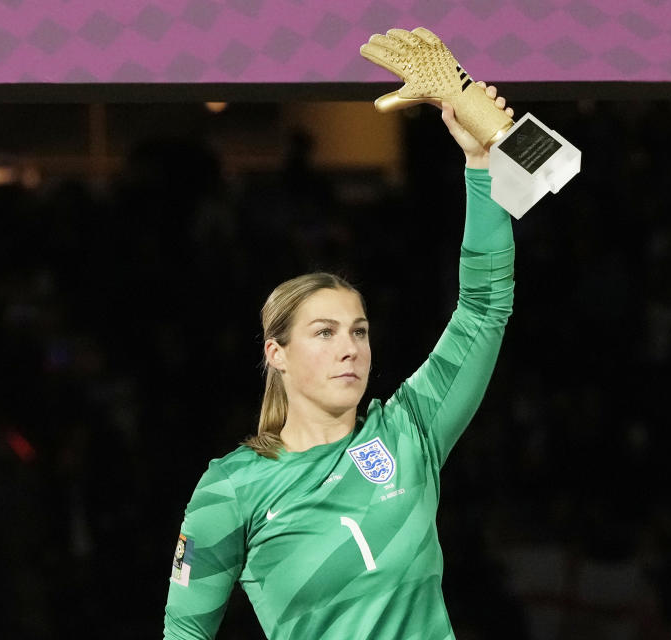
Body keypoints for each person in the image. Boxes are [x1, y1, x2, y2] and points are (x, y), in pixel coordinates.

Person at [163, 83, 516, 639]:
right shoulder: (230, 488)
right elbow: (184, 634)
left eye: (359, 331)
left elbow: (484, 308)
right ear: (275, 353)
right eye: (323, 333)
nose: (349, 347)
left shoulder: (409, 431)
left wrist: (481, 163)